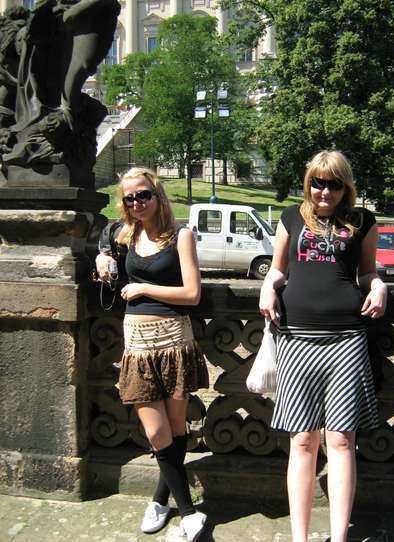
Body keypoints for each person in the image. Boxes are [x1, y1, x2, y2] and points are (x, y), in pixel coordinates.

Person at [259, 150, 387, 542]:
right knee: (302, 441)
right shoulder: (291, 217)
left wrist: (379, 285)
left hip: (347, 341)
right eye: (318, 183)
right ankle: (299, 537)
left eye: (333, 184)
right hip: (296, 339)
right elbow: (278, 269)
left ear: (345, 187)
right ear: (309, 183)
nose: (324, 191)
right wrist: (267, 287)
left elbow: (367, 271)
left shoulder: (363, 221)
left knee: (341, 441)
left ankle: (339, 537)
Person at [95, 167, 209, 541]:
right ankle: (189, 513)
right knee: (157, 431)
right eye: (129, 198)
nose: (137, 203)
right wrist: (101, 259)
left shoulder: (181, 235)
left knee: (175, 430)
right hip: (138, 343)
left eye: (143, 195)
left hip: (175, 338)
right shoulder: (125, 235)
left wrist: (144, 289)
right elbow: (101, 242)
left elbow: (192, 294)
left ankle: (160, 501)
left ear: (157, 195)